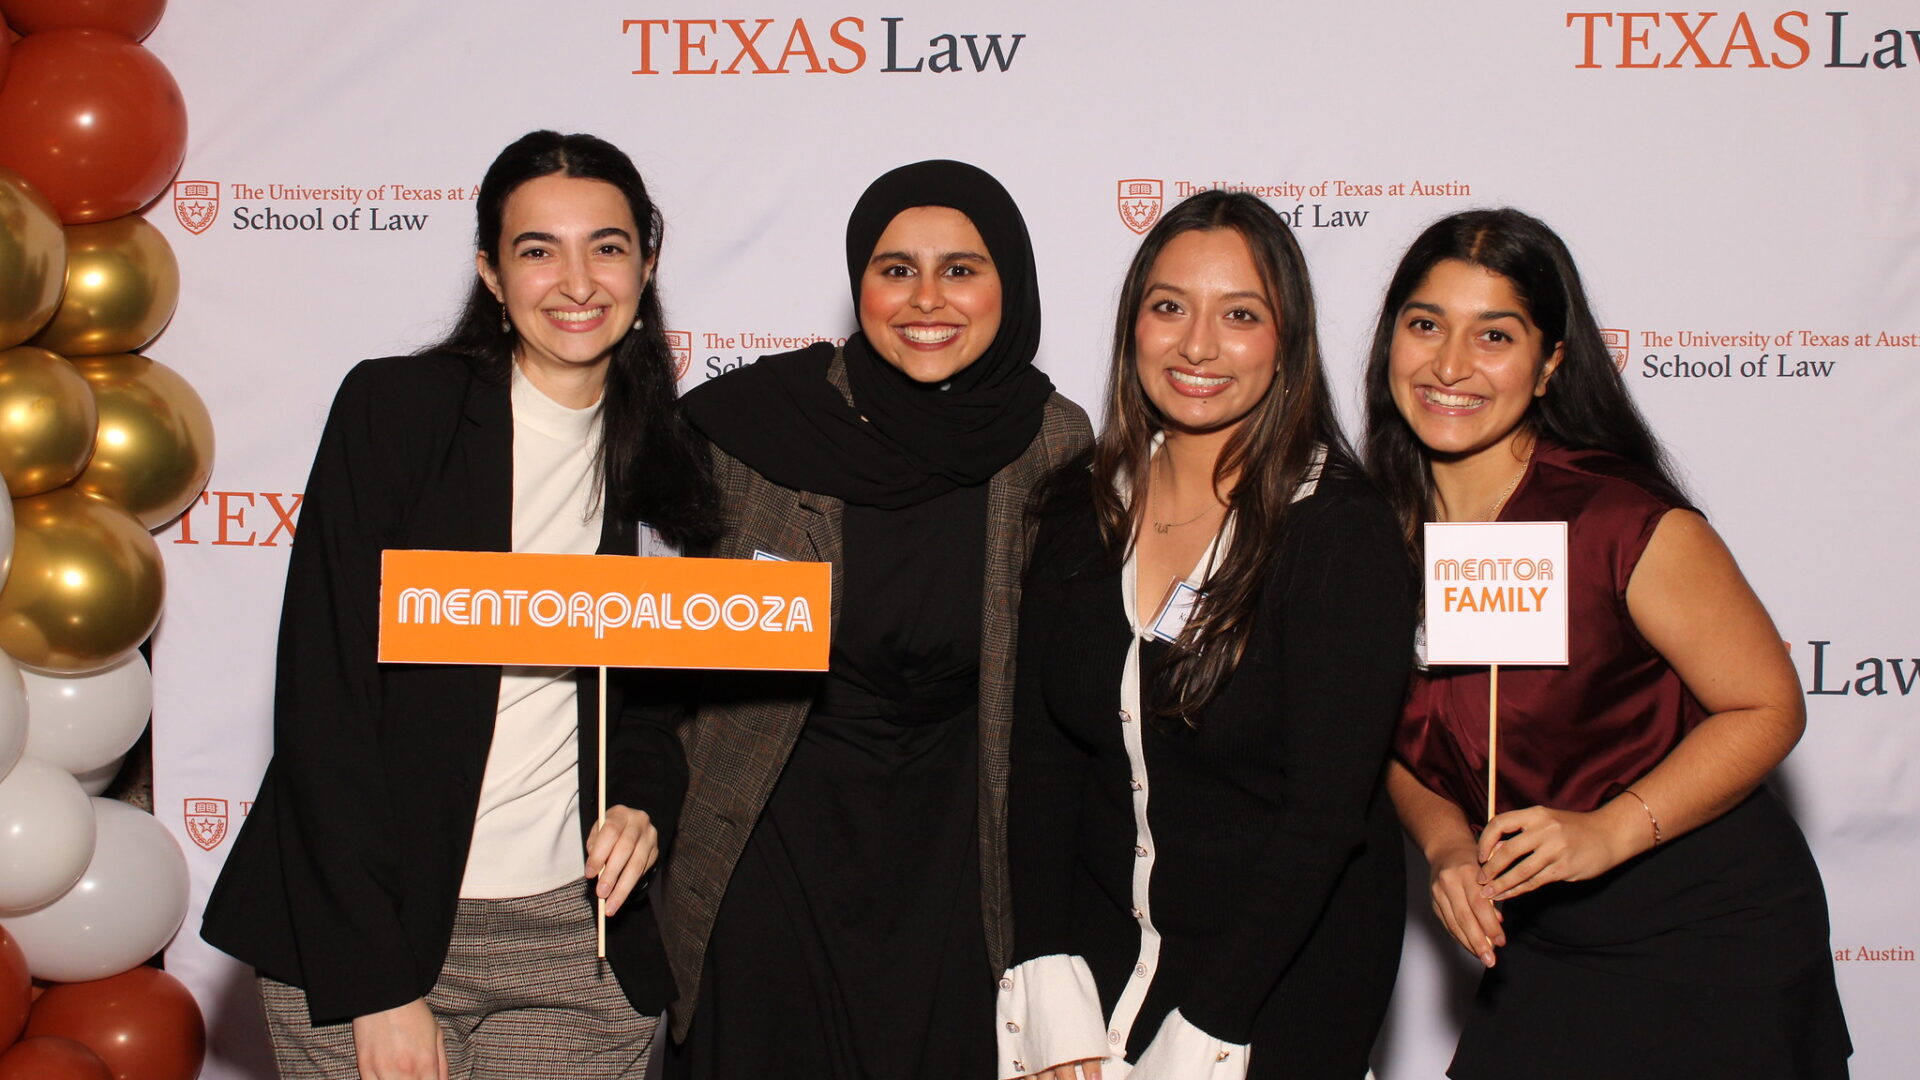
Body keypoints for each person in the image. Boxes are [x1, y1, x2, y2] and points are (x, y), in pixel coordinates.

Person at [200, 130, 716, 1080]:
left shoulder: (664, 448)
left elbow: (643, 692)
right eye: (536, 250)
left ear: (648, 261)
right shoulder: (398, 411)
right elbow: (326, 703)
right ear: (489, 270)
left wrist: (643, 798)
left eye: (606, 246)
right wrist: (378, 985)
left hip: (573, 940)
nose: (576, 281)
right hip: (379, 924)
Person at [1366, 208, 1851, 1079]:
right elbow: (1378, 732)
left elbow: (1768, 705)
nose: (1449, 365)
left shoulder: (1614, 519)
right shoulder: (1366, 532)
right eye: (1426, 324)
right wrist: (1444, 844)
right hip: (1539, 940)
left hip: (1704, 927)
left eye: (1495, 335)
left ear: (1551, 363)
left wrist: (1608, 832)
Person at [658, 159, 1091, 1078]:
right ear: (859, 282)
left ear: (1009, 282)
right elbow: (633, 633)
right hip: (772, 837)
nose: (926, 298)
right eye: (896, 269)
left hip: (956, 858)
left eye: (961, 269)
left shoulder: (1053, 441)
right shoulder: (747, 430)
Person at [998, 190, 1413, 1080]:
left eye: (1240, 315)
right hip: (1099, 968)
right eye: (1169, 307)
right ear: (1133, 325)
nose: (1196, 345)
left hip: (1277, 982)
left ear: (1287, 345)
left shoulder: (1341, 535)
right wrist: (1048, 982)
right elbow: (1043, 764)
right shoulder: (1078, 510)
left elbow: (1324, 818)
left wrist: (1210, 1025)